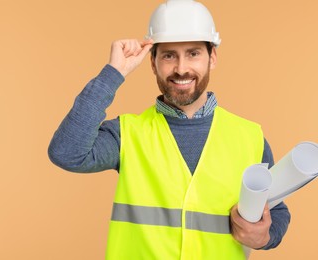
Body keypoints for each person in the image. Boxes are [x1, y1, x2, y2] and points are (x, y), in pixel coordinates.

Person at [48, 0, 290, 259]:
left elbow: (276, 211)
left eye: (193, 53)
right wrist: (113, 73)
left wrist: (265, 236)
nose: (181, 68)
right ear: (153, 63)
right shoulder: (127, 133)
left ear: (213, 58)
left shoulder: (249, 137)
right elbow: (66, 152)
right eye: (168, 55)